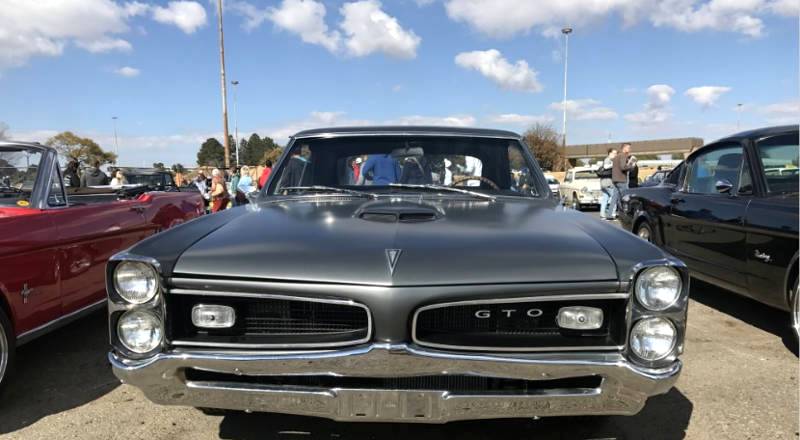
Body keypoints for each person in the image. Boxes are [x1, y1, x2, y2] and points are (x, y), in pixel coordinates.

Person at [610, 143, 633, 218]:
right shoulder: (623, 156)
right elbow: (623, 167)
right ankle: (625, 214)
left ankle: (609, 214)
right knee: (625, 197)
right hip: (621, 179)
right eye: (628, 148)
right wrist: (631, 166)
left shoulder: (616, 156)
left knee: (615, 197)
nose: (630, 150)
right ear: (624, 148)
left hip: (615, 179)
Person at [598, 148, 617, 220]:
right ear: (610, 153)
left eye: (616, 153)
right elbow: (606, 166)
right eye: (614, 153)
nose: (615, 155)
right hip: (608, 183)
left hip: (603, 183)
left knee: (605, 199)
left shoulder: (608, 160)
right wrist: (613, 164)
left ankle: (602, 215)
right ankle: (612, 214)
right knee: (614, 197)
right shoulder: (608, 159)